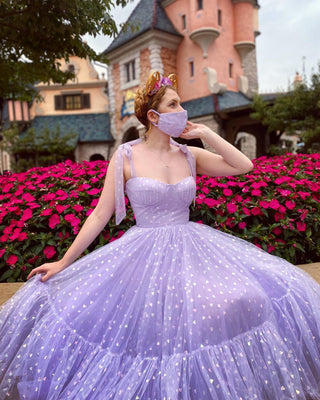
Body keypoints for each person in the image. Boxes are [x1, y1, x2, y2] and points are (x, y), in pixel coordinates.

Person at [0, 71, 319, 400]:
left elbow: (243, 166)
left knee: (230, 307)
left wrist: (205, 132)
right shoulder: (125, 155)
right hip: (145, 257)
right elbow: (100, 213)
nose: (182, 110)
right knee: (156, 334)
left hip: (192, 249)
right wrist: (64, 261)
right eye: (174, 104)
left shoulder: (188, 155)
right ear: (153, 115)